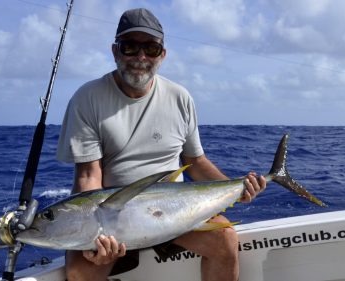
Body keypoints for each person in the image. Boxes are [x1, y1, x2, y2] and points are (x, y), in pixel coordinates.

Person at [56, 8, 266, 281]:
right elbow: (88, 175)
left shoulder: (180, 98)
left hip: (174, 213)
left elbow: (196, 162)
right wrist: (96, 235)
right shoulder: (87, 98)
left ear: (162, 55)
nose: (141, 58)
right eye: (130, 47)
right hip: (113, 221)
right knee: (79, 273)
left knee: (225, 240)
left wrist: (239, 187)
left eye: (151, 48)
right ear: (115, 51)